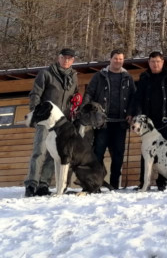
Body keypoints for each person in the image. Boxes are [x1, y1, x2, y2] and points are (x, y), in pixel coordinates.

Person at [24, 48, 79, 197]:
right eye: (64, 57)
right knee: (39, 151)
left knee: (53, 154)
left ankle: (44, 184)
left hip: (61, 123)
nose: (66, 60)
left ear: (73, 60)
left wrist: (76, 99)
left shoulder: (73, 77)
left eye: (70, 58)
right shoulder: (46, 73)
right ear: (58, 58)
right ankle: (31, 184)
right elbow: (36, 94)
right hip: (45, 120)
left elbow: (74, 95)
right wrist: (35, 115)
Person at [82, 49, 135, 190]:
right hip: (102, 123)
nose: (118, 61)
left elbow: (133, 99)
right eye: (116, 58)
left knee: (118, 156)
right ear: (110, 59)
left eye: (121, 59)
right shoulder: (99, 76)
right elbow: (89, 94)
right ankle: (96, 184)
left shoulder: (127, 78)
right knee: (98, 153)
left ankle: (114, 185)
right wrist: (85, 109)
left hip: (120, 123)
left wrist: (130, 113)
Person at [132, 50, 167, 190]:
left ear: (163, 62)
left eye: (158, 61)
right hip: (148, 125)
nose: (155, 64)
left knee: (164, 153)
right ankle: (144, 183)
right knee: (146, 153)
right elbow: (138, 99)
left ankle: (162, 183)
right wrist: (137, 117)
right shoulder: (144, 77)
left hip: (166, 121)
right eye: (152, 62)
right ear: (149, 63)